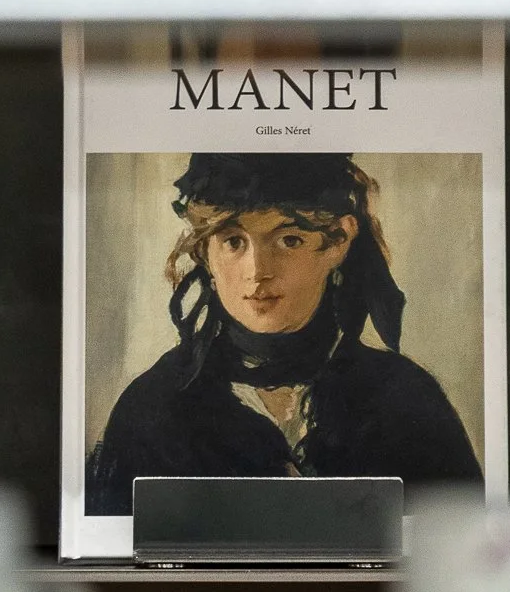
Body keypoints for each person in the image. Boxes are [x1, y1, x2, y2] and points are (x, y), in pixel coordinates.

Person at [86, 147, 483, 514]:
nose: (258, 271)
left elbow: (462, 551)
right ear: (205, 252)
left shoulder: (406, 401)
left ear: (338, 242)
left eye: (289, 239)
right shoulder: (153, 407)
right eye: (233, 241)